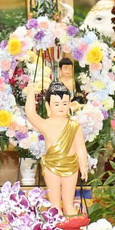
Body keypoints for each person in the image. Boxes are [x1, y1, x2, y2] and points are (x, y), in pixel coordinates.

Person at [26, 81, 90, 219]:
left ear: (70, 104)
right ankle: (55, 210)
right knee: (54, 199)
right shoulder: (45, 124)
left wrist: (83, 166)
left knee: (69, 199)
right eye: (56, 104)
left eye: (65, 103)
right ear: (48, 106)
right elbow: (31, 114)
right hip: (51, 165)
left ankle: (68, 208)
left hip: (71, 165)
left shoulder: (74, 126)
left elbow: (80, 147)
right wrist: (31, 92)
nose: (61, 107)